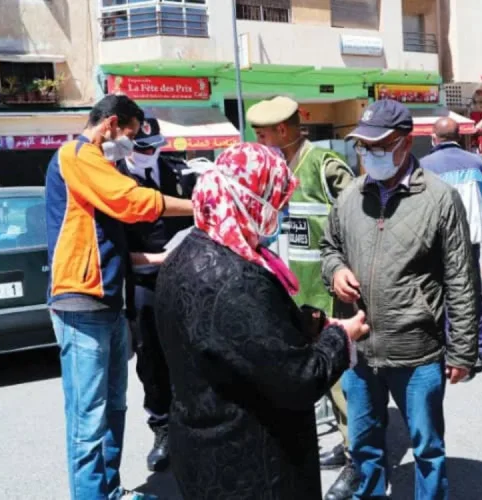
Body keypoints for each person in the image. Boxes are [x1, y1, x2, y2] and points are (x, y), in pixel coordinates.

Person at [154, 143, 370, 500]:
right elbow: (298, 379)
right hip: (251, 463)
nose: (281, 212)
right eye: (276, 201)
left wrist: (304, 323)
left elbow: (237, 343)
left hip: (199, 446)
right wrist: (339, 336)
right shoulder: (236, 278)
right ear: (250, 201)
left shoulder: (185, 254)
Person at [321, 99, 478, 499]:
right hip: (359, 350)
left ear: (405, 144)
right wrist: (335, 271)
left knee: (427, 449)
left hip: (417, 350)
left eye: (379, 145)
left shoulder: (440, 200)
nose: (370, 154)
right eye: (363, 146)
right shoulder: (349, 198)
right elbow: (329, 248)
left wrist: (462, 349)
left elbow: (460, 277)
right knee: (364, 447)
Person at [45, 94, 193, 500]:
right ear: (110, 125)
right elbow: (133, 202)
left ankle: (108, 490)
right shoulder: (77, 155)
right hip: (81, 300)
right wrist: (200, 207)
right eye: (130, 134)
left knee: (113, 408)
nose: (130, 144)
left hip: (108, 300)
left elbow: (114, 240)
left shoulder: (99, 166)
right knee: (88, 416)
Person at [246, 95, 359, 499]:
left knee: (343, 386)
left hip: (328, 294)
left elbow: (357, 220)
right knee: (312, 383)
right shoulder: (273, 170)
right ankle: (343, 449)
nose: (258, 140)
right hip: (293, 296)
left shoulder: (324, 165)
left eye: (262, 133)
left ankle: (356, 460)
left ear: (282, 130)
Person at [116, 116, 196, 472]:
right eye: (142, 147)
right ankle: (162, 428)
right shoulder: (115, 181)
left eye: (155, 145)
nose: (150, 152)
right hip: (143, 282)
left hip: (184, 281)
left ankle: (192, 425)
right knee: (151, 358)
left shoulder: (179, 175)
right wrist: (157, 259)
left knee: (190, 352)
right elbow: (113, 246)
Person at [420, 117, 482, 374]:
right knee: (471, 292)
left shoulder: (424, 165)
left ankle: (450, 346)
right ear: (459, 135)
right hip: (470, 239)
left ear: (433, 137)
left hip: (437, 240)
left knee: (442, 293)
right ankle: (478, 348)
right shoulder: (478, 162)